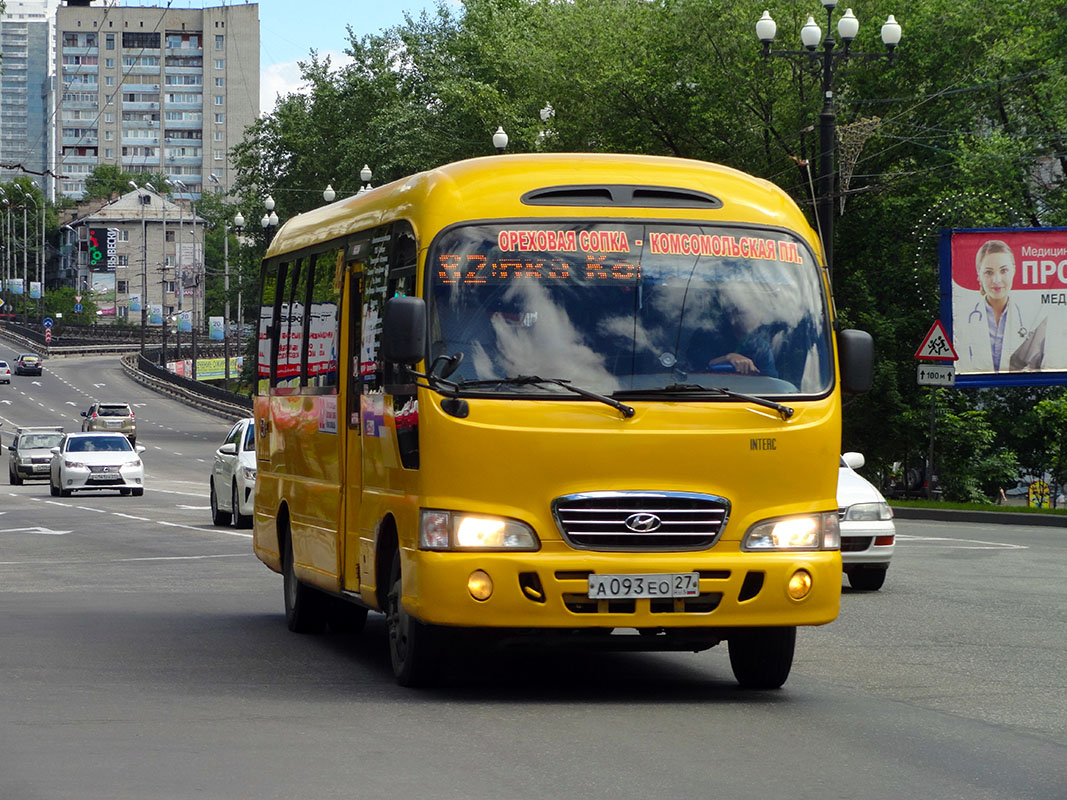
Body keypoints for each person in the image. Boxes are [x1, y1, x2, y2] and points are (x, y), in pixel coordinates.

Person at [955, 239, 1045, 373]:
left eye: (1004, 271)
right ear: (979, 274)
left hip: (1022, 389)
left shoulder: (1034, 317)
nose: (996, 280)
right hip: (977, 390)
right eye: (989, 272)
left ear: (1014, 270)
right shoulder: (962, 317)